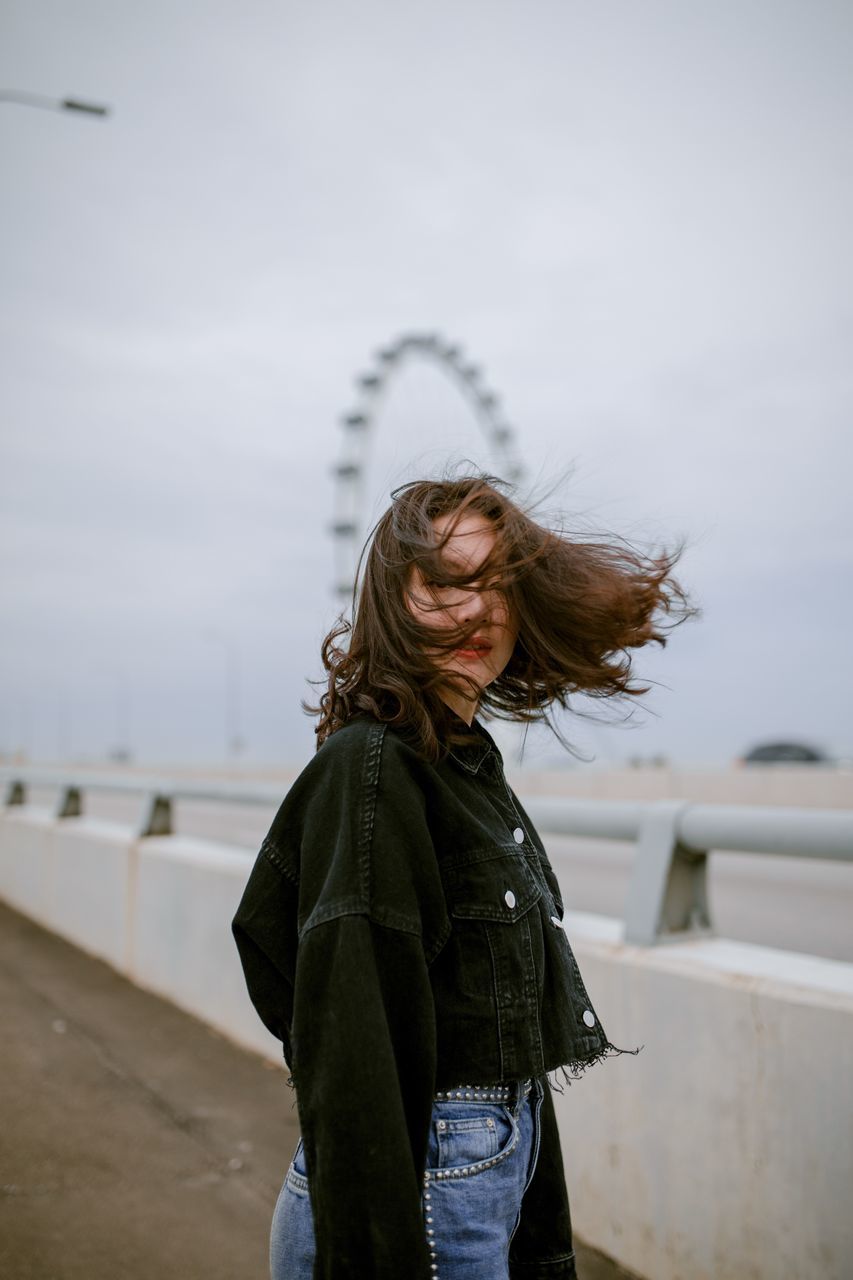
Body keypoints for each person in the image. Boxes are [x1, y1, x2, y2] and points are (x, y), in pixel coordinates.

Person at [232, 472, 695, 1279]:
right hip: (426, 1179)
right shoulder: (375, 770)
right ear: (392, 603)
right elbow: (351, 1045)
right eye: (445, 585)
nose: (477, 610)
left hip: (485, 1162)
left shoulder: (464, 767)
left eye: (498, 586)